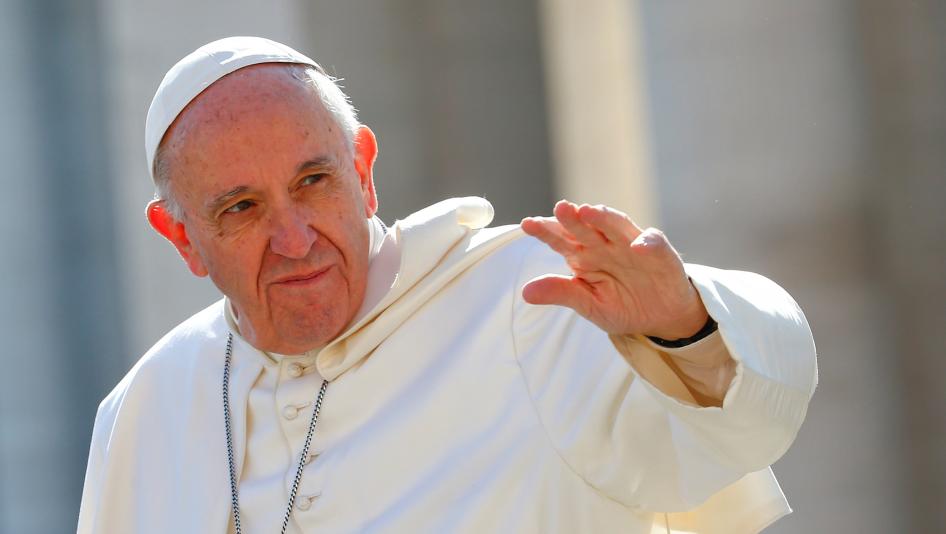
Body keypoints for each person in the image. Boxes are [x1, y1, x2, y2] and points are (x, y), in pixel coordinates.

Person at [78, 37, 817, 534]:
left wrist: (685, 326)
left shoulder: (532, 302)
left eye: (314, 181)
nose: (295, 239)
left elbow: (746, 426)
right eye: (241, 209)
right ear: (181, 239)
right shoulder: (145, 411)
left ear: (363, 171)